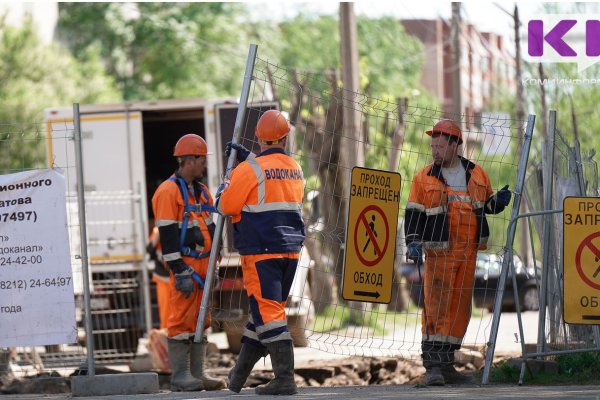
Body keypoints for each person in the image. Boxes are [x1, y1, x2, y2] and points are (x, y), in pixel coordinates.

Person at [404, 119, 512, 386]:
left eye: (440, 146)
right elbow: (413, 214)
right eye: (433, 146)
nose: (435, 151)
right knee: (435, 307)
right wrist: (413, 242)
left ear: (455, 145)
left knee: (460, 309)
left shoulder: (477, 174)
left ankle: (447, 364)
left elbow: (485, 205)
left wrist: (497, 202)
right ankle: (433, 367)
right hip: (440, 253)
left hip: (468, 253)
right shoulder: (423, 177)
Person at [216, 110, 305, 395]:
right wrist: (249, 161)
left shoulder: (248, 170)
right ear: (285, 136)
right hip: (290, 250)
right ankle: (237, 377)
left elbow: (227, 206)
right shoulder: (295, 167)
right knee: (263, 314)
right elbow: (271, 181)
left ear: (258, 136)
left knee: (269, 314)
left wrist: (223, 189)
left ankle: (284, 379)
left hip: (261, 250)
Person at [151, 134, 226, 392]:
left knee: (201, 319)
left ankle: (198, 374)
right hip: (187, 268)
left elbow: (213, 228)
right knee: (181, 319)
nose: (204, 165)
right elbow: (168, 239)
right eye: (201, 160)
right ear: (189, 160)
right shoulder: (167, 192)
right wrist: (179, 270)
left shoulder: (202, 191)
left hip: (204, 267)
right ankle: (181, 376)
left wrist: (216, 262)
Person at [146, 225, 170, 329]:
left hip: (177, 277)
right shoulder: (157, 230)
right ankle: (166, 334)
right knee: (165, 310)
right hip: (163, 278)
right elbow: (150, 248)